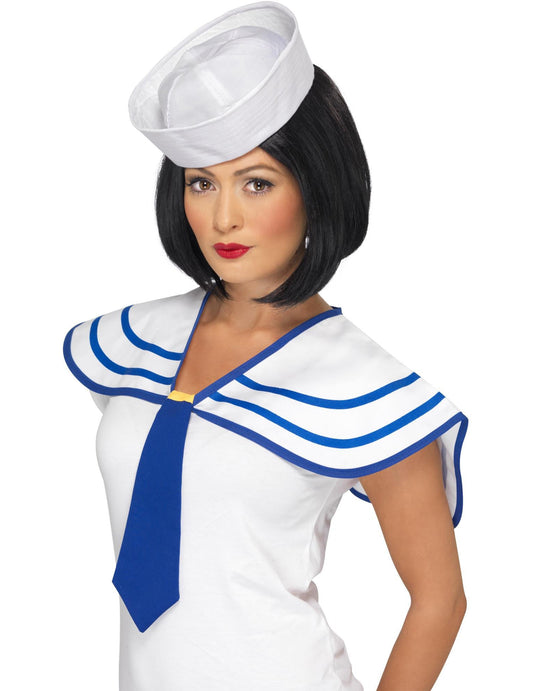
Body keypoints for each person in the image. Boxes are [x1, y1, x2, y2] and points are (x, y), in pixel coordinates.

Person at [63, 3, 468, 690]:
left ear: (314, 187)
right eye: (202, 183)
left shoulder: (363, 386)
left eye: (257, 183)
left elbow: (439, 600)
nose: (224, 217)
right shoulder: (134, 344)